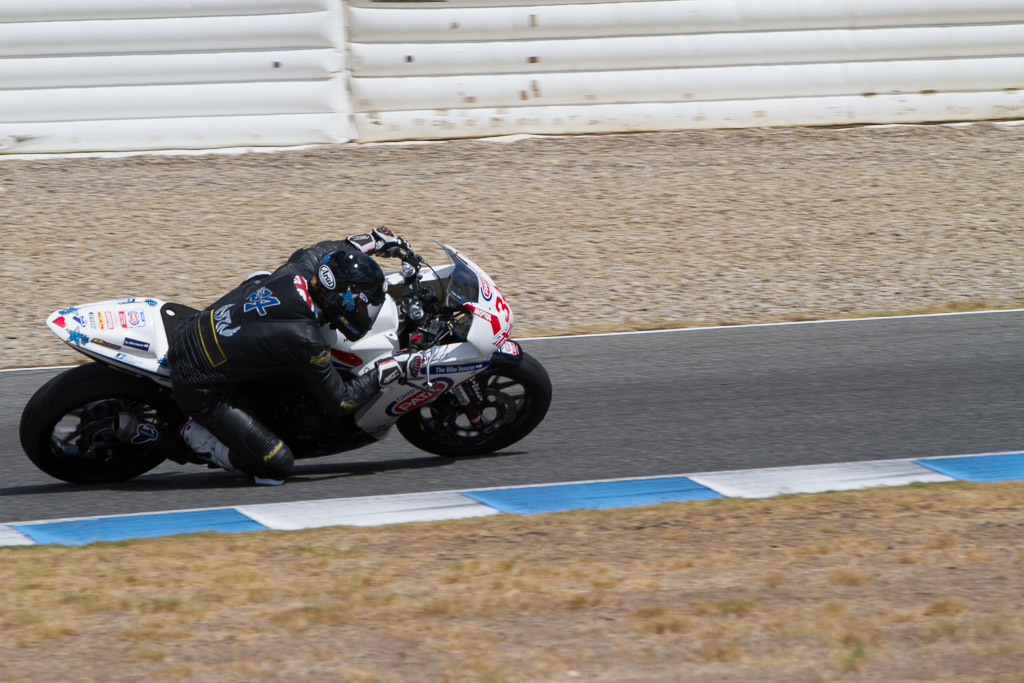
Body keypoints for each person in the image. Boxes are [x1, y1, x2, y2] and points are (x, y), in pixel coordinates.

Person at [167, 226, 412, 485]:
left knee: (260, 278)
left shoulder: (301, 270)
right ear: (341, 301)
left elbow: (328, 248)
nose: (365, 312)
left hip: (193, 328)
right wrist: (387, 370)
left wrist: (373, 241)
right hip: (200, 388)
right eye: (362, 306)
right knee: (276, 466)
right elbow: (339, 401)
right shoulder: (305, 338)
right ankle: (195, 435)